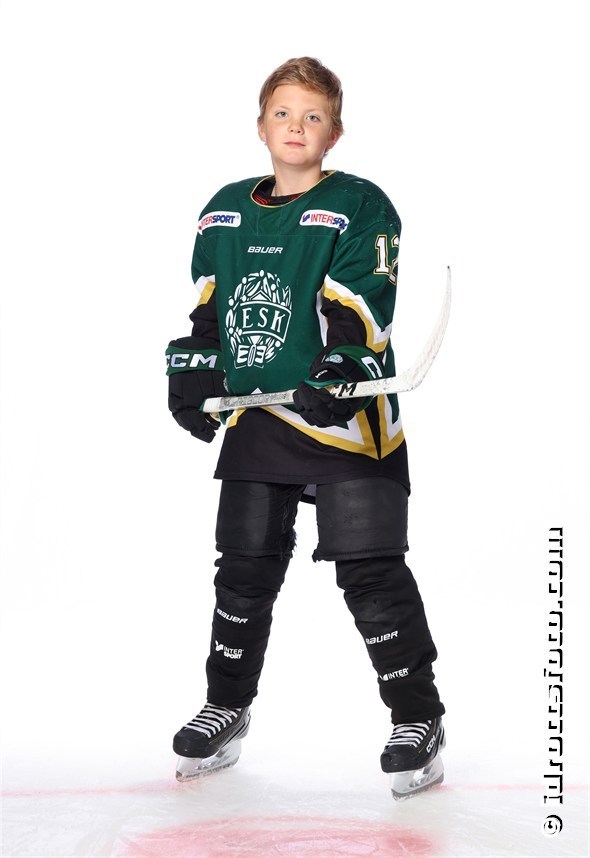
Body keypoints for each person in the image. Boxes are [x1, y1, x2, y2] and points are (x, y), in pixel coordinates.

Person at [166, 57, 445, 799]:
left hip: (346, 420)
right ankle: (226, 707)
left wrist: (342, 364)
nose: (297, 126)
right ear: (261, 126)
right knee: (243, 572)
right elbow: (211, 304)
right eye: (283, 113)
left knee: (371, 572)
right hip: (260, 416)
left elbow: (362, 301)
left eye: (313, 116)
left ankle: (418, 717)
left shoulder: (359, 204)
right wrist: (196, 366)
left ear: (335, 132)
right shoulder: (224, 210)